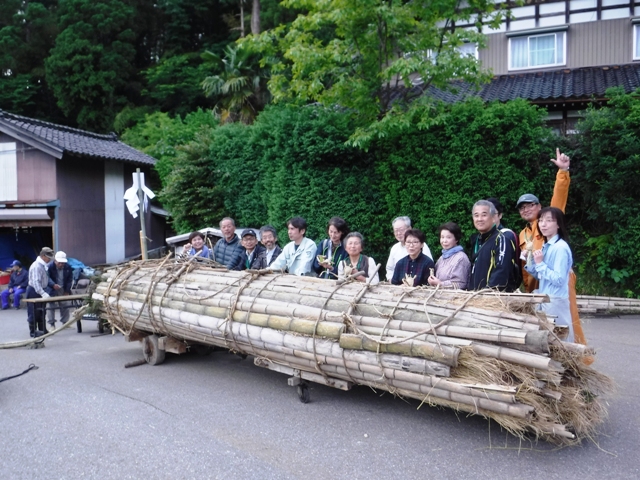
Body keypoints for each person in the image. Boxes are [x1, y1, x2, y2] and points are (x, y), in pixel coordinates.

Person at [516, 148, 588, 347]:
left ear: (539, 207)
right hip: (537, 285)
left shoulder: (548, 222)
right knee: (543, 332)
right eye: (522, 207)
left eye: (530, 205)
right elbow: (526, 264)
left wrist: (563, 172)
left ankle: (580, 358)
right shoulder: (523, 234)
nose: (526, 209)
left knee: (567, 323)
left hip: (557, 284)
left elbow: (559, 197)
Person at [524, 207, 574, 342]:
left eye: (549, 220)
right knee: (549, 341)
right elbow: (541, 275)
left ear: (558, 224)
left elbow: (558, 279)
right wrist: (530, 259)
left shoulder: (560, 248)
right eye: (540, 220)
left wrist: (540, 264)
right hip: (546, 299)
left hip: (555, 301)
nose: (543, 224)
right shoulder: (547, 246)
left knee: (560, 341)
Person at [467, 200, 519, 292]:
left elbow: (501, 271)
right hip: (476, 298)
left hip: (493, 299)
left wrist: (487, 293)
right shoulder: (478, 240)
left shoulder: (502, 238)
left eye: (484, 215)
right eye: (476, 215)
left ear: (494, 217)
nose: (479, 219)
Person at [385, 216, 432, 281]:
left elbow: (429, 269)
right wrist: (391, 280)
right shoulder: (394, 248)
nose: (398, 233)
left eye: (401, 229)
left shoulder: (422, 247)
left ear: (409, 228)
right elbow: (389, 268)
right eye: (396, 230)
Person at [428, 222, 471, 289]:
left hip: (455, 298)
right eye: (442, 237)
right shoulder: (442, 258)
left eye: (448, 237)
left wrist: (440, 284)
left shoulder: (461, 258)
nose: (444, 241)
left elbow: (461, 284)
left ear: (456, 239)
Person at [26, 247, 54, 337]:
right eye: (48, 257)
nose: (49, 259)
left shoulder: (43, 265)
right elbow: (35, 282)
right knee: (33, 312)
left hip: (41, 289)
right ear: (43, 256)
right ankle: (33, 332)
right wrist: (42, 293)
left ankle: (42, 329)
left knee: (42, 311)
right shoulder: (36, 266)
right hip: (34, 290)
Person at [47, 251, 74, 328]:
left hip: (62, 288)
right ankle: (52, 324)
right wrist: (53, 284)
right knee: (51, 306)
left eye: (63, 263)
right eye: (60, 263)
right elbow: (46, 278)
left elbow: (69, 279)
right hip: (52, 288)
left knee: (65, 305)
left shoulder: (67, 267)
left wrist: (67, 290)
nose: (61, 265)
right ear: (55, 261)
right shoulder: (49, 266)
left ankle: (65, 323)